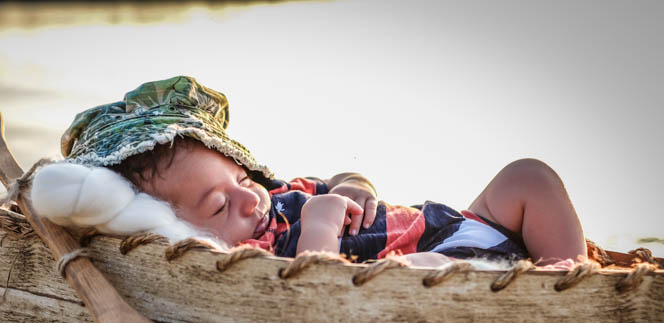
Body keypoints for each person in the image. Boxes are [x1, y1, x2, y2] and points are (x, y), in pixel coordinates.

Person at [61, 76, 586, 267]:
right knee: (413, 274)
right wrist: (318, 229)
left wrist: (354, 184)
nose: (251, 201)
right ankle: (541, 290)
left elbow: (335, 183)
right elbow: (314, 298)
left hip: (466, 225)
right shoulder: (248, 260)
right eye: (220, 206)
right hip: (434, 265)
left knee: (528, 176)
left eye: (242, 181)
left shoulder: (272, 196)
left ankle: (566, 274)